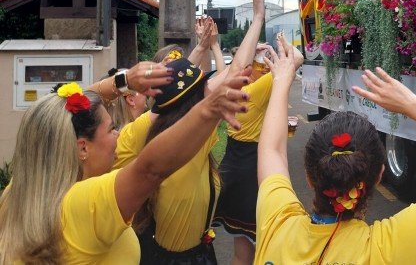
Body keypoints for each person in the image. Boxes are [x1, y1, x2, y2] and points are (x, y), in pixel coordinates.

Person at [253, 35, 416, 264]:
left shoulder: (277, 225)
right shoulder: (388, 250)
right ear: (379, 176)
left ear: (310, 178)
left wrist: (282, 77)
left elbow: (272, 150)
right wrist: (411, 104)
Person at [0, 62, 249, 263]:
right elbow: (150, 170)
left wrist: (123, 82)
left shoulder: (20, 193)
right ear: (83, 147)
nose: (119, 135)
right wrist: (207, 109)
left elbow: (65, 111)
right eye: (112, 129)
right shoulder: (83, 204)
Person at [114, 0, 267, 263]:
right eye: (201, 90)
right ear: (190, 102)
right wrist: (258, 18)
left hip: (175, 251)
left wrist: (202, 47)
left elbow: (228, 74)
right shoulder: (193, 137)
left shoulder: (139, 130)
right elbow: (236, 72)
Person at [211, 41, 303, 265]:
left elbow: (225, 70)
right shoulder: (255, 90)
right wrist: (275, 48)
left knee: (241, 255)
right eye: (258, 59)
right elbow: (297, 58)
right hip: (254, 170)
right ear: (249, 64)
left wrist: (215, 45)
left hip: (231, 167)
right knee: (266, 248)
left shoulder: (229, 88)